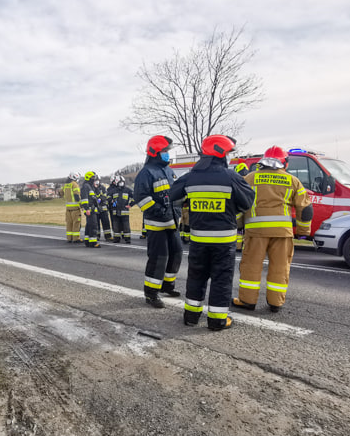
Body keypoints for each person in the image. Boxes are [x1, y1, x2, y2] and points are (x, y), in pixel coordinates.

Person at [170, 135, 255, 330]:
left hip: (198, 239)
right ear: (220, 153)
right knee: (221, 279)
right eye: (228, 153)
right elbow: (248, 201)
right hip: (224, 241)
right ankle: (217, 320)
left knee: (196, 276)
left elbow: (173, 195)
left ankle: (191, 316)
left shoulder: (191, 176)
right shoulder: (231, 176)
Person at [233, 146, 313, 313]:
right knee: (280, 267)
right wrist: (303, 232)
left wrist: (239, 225)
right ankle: (276, 303)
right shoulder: (292, 180)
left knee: (251, 266)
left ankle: (247, 301)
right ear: (285, 163)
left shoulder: (249, 178)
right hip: (282, 233)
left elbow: (239, 205)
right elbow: (305, 209)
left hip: (256, 232)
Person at [134, 135, 182, 308]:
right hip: (157, 223)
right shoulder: (146, 173)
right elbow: (141, 198)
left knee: (176, 254)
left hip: (173, 222)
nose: (167, 154)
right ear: (155, 152)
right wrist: (160, 211)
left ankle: (167, 285)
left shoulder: (169, 171)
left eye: (167, 151)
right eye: (164, 151)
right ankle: (151, 293)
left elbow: (175, 193)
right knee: (158, 258)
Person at [107, 174, 134, 243]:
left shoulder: (128, 190)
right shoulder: (113, 190)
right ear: (117, 183)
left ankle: (127, 239)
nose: (121, 183)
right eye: (120, 182)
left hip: (124, 212)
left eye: (122, 182)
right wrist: (111, 201)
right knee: (116, 226)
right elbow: (107, 197)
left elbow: (135, 197)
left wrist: (131, 205)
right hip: (115, 212)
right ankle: (116, 238)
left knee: (126, 226)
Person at [80, 171, 101, 248]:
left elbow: (94, 197)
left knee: (89, 225)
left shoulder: (90, 186)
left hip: (92, 209)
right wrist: (87, 209)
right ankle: (93, 242)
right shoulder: (86, 186)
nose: (94, 179)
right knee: (93, 225)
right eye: (92, 178)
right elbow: (84, 199)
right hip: (89, 210)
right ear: (88, 178)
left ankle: (87, 241)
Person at [62, 172, 83, 244]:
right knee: (76, 223)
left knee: (69, 223)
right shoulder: (75, 184)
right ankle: (76, 238)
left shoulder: (65, 185)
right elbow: (77, 196)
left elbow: (60, 193)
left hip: (68, 209)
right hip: (75, 208)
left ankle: (69, 238)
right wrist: (81, 204)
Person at [96, 178, 113, 242]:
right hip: (96, 209)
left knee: (106, 223)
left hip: (104, 209)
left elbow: (105, 195)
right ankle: (97, 236)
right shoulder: (92, 188)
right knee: (96, 224)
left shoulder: (102, 187)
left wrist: (100, 199)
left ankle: (108, 236)